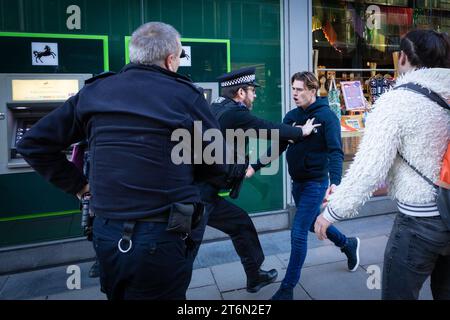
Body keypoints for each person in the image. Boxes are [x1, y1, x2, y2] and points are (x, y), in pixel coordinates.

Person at [17, 21, 228, 300]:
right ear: (170, 59)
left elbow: (32, 144)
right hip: (162, 234)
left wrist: (80, 186)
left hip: (106, 233)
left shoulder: (95, 91)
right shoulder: (185, 95)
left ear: (134, 55)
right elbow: (218, 162)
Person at [314, 30, 450, 300]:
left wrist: (332, 213)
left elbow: (369, 169)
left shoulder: (397, 102)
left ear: (402, 58)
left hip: (419, 223)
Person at [191, 67, 321, 293]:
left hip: (204, 190)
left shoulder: (217, 106)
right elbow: (266, 128)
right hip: (198, 195)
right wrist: (301, 132)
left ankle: (254, 276)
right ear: (241, 93)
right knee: (186, 249)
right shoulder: (235, 114)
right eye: (252, 90)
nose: (255, 95)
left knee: (240, 223)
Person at [248, 71, 361, 300]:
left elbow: (336, 151)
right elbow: (278, 147)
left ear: (312, 90)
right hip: (297, 183)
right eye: (293, 89)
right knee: (310, 224)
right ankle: (347, 244)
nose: (295, 93)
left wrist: (336, 182)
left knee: (298, 232)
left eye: (299, 89)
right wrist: (255, 166)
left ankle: (287, 289)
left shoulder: (327, 117)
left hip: (316, 184)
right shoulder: (291, 116)